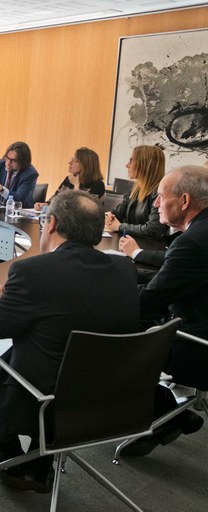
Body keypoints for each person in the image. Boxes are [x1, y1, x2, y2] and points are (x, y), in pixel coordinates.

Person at [0, 190, 140, 494]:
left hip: (47, 403)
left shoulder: (32, 272)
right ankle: (40, 463)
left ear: (51, 223)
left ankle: (11, 457)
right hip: (110, 398)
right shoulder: (124, 269)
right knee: (43, 346)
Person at [120, 165, 208, 456]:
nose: (156, 203)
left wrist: (107, 292)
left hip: (197, 346)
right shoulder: (200, 233)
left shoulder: (193, 242)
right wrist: (121, 273)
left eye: (160, 196)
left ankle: (162, 413)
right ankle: (170, 414)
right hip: (197, 323)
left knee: (112, 332)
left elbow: (150, 300)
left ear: (184, 201)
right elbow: (173, 277)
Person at [104, 145, 169, 240]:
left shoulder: (160, 193)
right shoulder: (136, 189)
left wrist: (120, 227)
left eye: (131, 161)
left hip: (149, 246)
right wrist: (109, 216)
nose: (127, 165)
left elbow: (153, 229)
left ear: (144, 165)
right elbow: (118, 212)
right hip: (131, 242)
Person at [34, 147, 105, 210]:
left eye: (75, 161)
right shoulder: (69, 179)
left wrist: (76, 186)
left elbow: (79, 209)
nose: (70, 162)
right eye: (72, 159)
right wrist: (46, 204)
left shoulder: (98, 185)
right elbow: (57, 198)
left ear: (85, 165)